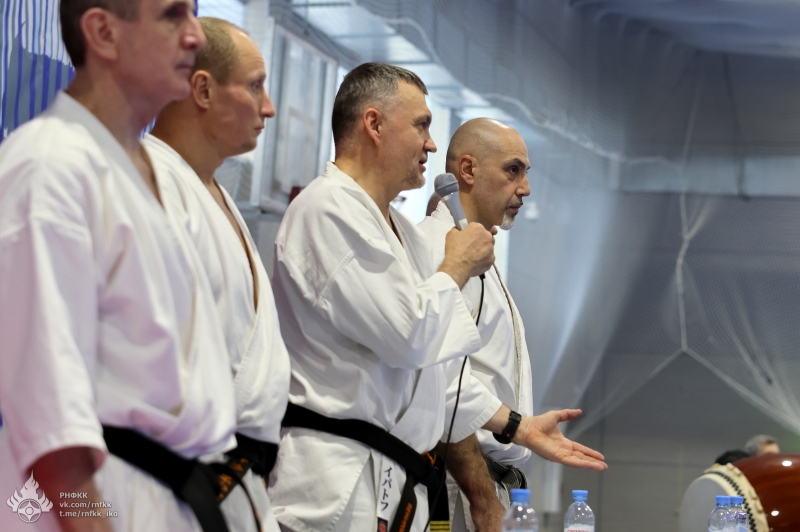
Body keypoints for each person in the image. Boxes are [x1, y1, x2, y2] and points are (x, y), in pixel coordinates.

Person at [0, 1, 239, 532]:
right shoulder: (50, 167)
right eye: (172, 16)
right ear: (103, 32)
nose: (196, 37)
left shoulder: (149, 172)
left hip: (168, 493)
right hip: (96, 501)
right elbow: (53, 435)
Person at [267, 62, 498, 532]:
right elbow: (410, 336)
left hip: (391, 479)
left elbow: (434, 370)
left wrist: (517, 426)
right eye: (421, 126)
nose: (431, 144)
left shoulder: (400, 232)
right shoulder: (327, 208)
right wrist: (456, 265)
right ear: (373, 124)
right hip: (338, 483)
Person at [419, 118, 607, 532]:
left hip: (485, 480)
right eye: (513, 170)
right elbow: (442, 386)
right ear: (468, 170)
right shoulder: (441, 250)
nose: (525, 188)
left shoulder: (475, 251)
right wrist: (483, 499)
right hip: (460, 487)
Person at [144, 16, 290, 532]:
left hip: (235, 476)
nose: (268, 107)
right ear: (203, 89)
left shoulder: (212, 191)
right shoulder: (152, 185)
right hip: (173, 475)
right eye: (255, 86)